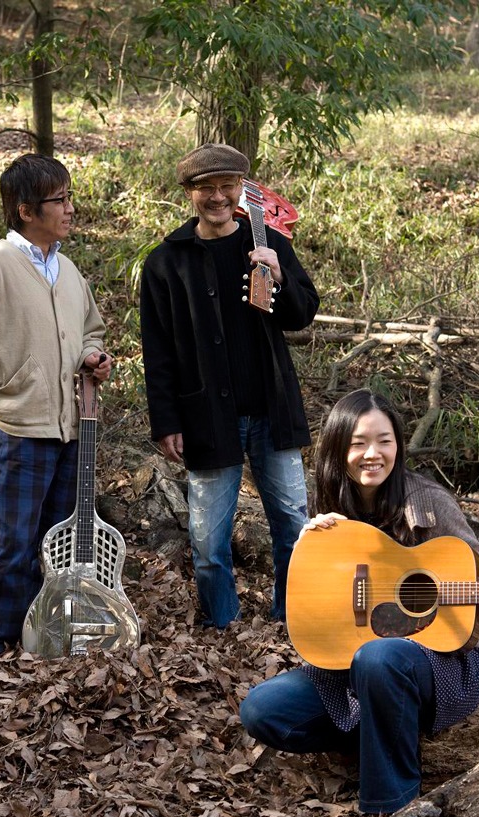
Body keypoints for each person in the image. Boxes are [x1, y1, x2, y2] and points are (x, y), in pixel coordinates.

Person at [239, 389, 479, 816]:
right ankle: (384, 732)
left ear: (398, 445)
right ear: (337, 447)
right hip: (348, 670)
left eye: (384, 441)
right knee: (262, 710)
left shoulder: (430, 502)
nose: (373, 454)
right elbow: (312, 591)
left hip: (438, 667)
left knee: (380, 656)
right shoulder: (329, 501)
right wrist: (306, 548)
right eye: (358, 443)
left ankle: (393, 810)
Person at [0, 153, 111, 655]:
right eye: (60, 200)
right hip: (19, 428)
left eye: (70, 197)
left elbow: (91, 331)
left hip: (73, 427)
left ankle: (46, 637)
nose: (70, 208)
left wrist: (91, 356)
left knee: (59, 542)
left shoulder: (68, 270)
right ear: (27, 210)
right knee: (14, 543)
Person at [139, 143, 319, 628]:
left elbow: (302, 313)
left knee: (293, 526)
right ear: (189, 193)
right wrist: (166, 421)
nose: (218, 197)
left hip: (272, 411)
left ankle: (291, 618)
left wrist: (280, 277)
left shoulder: (268, 243)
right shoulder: (166, 262)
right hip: (207, 417)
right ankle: (223, 624)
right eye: (206, 189)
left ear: (241, 188)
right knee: (207, 541)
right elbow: (158, 351)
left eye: (227, 186)